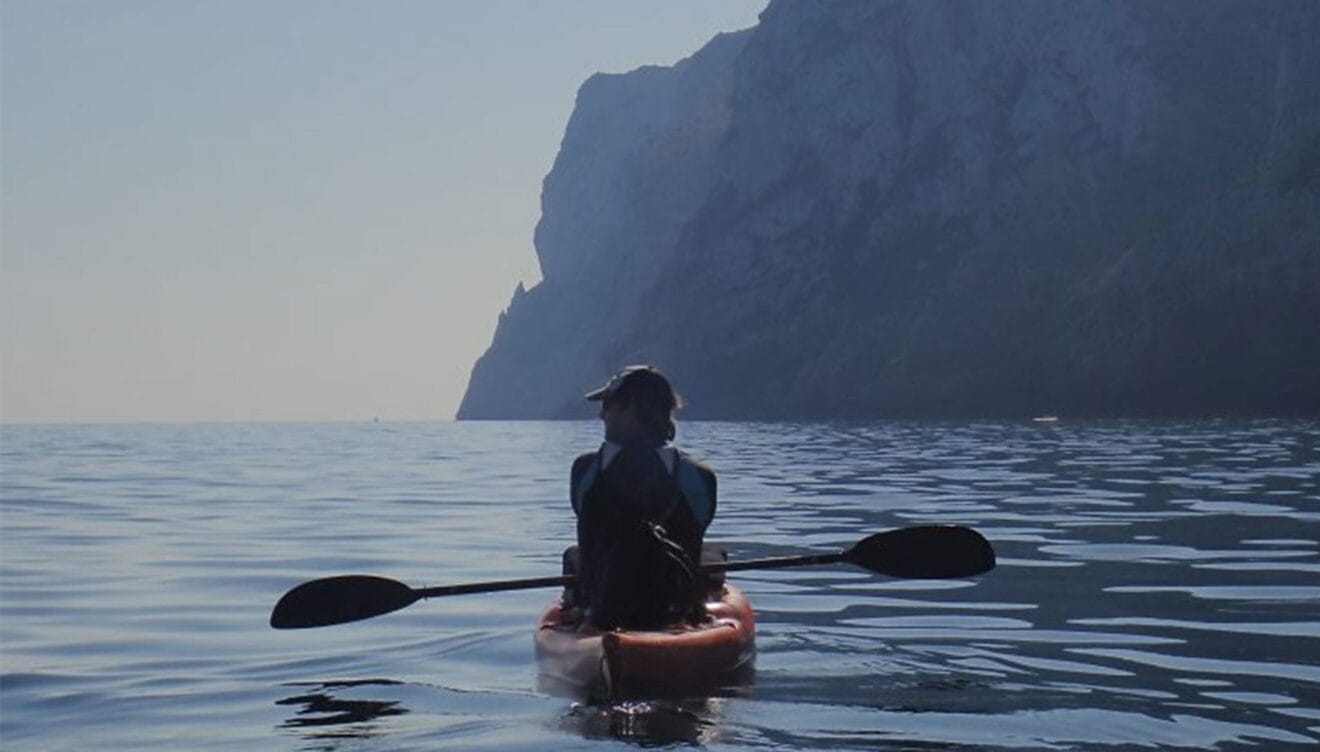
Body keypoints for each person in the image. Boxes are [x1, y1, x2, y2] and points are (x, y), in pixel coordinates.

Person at [563, 365, 718, 630]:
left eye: (608, 406)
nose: (602, 415)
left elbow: (586, 519)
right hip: (674, 604)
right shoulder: (701, 475)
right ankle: (696, 609)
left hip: (600, 605)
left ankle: (578, 609)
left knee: (573, 556)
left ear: (630, 410)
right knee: (714, 557)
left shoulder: (585, 469)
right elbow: (700, 524)